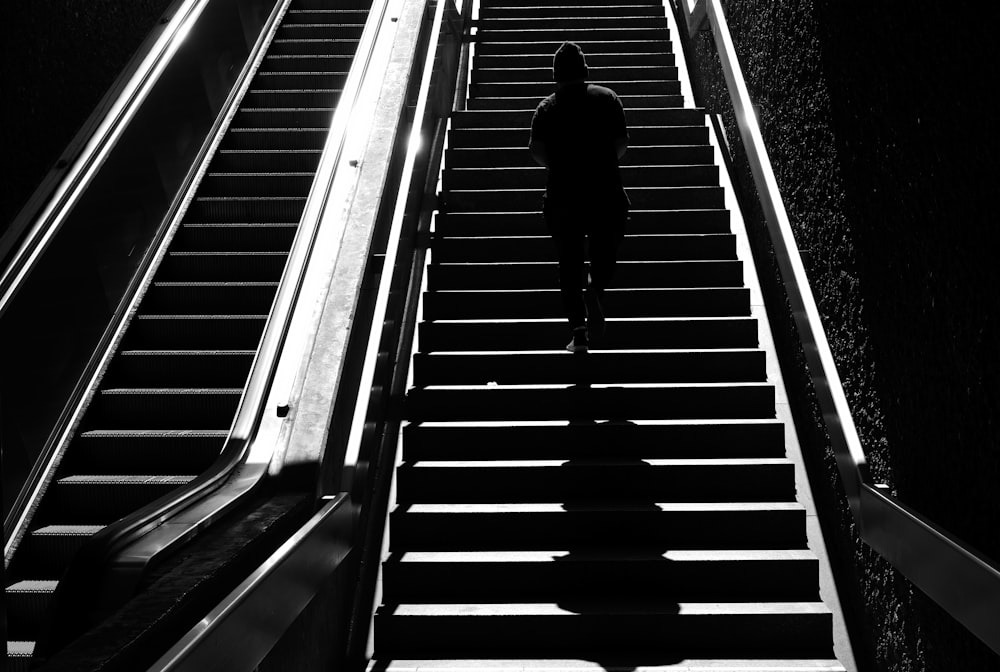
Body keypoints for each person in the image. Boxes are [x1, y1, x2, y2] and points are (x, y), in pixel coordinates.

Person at [529, 42, 629, 353]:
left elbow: (536, 150)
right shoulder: (607, 98)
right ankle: (595, 290)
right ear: (584, 70)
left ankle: (579, 331)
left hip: (563, 197)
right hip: (605, 192)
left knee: (569, 262)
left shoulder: (546, 108)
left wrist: (559, 163)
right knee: (605, 250)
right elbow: (622, 144)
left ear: (555, 74)